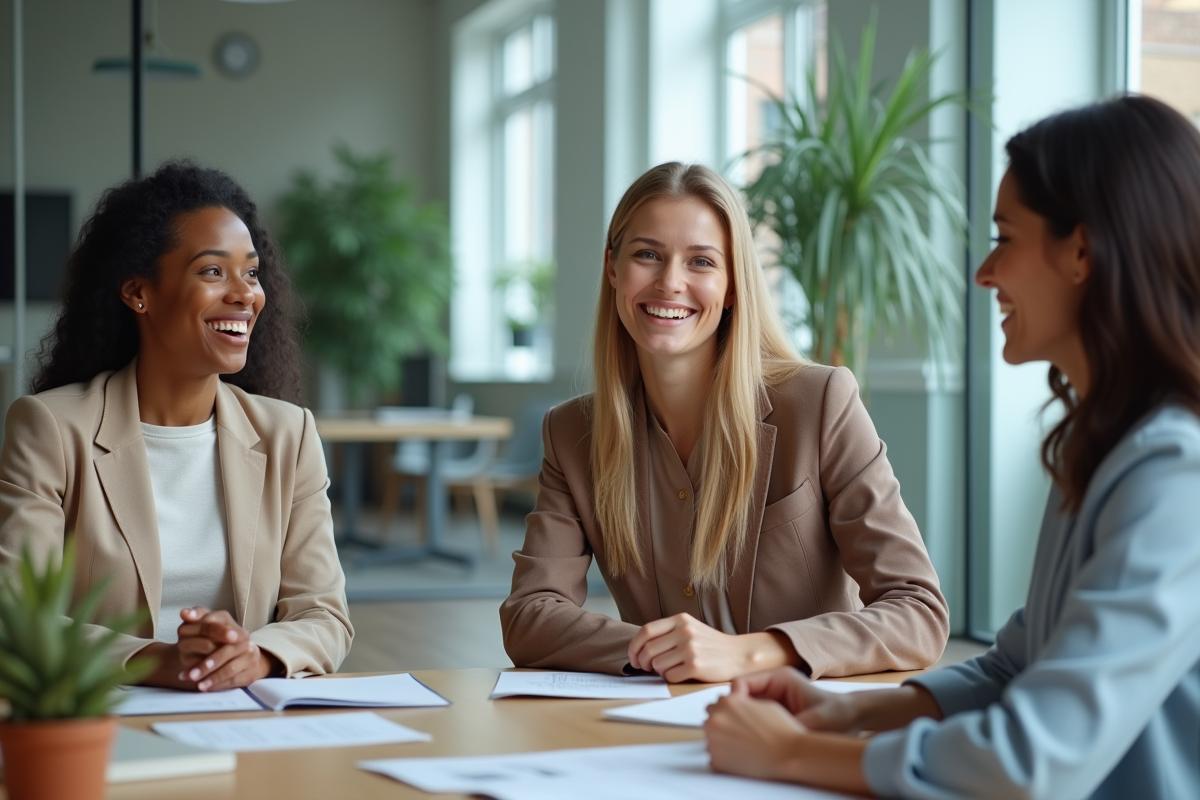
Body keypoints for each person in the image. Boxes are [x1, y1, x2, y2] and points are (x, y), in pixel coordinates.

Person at [704, 95, 1200, 800]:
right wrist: (849, 712)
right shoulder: (1102, 445)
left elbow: (1032, 760)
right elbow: (1016, 667)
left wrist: (791, 756)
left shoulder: (1174, 471)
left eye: (1005, 238)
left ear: (1082, 251)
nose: (984, 273)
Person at [500, 162, 948, 682]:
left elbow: (919, 612)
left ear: (733, 285)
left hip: (804, 714)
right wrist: (662, 651)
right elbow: (530, 614)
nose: (670, 282)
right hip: (660, 716)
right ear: (613, 268)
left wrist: (750, 653)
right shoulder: (572, 433)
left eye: (701, 262)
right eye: (647, 255)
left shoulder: (820, 403)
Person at [0, 162, 353, 691]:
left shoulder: (288, 433)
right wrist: (156, 661)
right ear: (138, 292)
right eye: (212, 271)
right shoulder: (51, 427)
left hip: (242, 713)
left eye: (251, 273)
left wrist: (256, 656)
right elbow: (17, 616)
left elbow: (324, 614)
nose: (245, 294)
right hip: (103, 709)